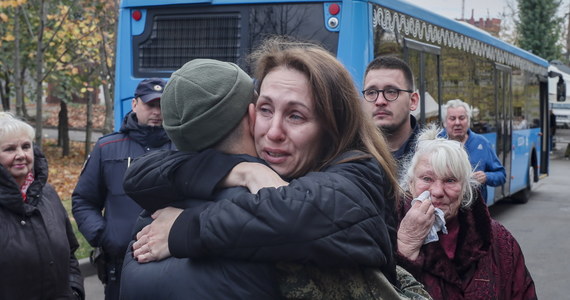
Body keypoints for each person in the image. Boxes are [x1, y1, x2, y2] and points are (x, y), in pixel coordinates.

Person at [123, 38, 430, 299]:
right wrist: (240, 170)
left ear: (332, 126)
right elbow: (139, 175)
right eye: (266, 110)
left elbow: (302, 212)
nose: (273, 132)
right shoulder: (260, 168)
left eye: (296, 116)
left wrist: (183, 230)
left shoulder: (358, 175)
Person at [396, 124, 537, 299]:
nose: (438, 191)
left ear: (464, 188)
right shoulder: (387, 231)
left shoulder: (500, 240)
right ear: (410, 183)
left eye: (450, 180)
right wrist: (405, 250)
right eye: (427, 178)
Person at [72, 78, 175, 300]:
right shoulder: (107, 148)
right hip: (119, 266)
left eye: (161, 105)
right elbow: (83, 200)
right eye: (150, 104)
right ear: (135, 104)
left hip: (171, 264)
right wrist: (104, 236)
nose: (156, 111)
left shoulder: (182, 148)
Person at [0, 112, 84, 300]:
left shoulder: (48, 193)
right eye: (10, 149)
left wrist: (74, 291)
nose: (21, 155)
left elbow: (70, 254)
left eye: (26, 146)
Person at [440, 99, 506, 203]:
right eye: (452, 118)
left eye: (462, 118)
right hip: (443, 210)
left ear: (468, 121)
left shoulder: (482, 143)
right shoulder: (435, 143)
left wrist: (486, 177)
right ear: (444, 122)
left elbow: (501, 175)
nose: (457, 123)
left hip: (475, 213)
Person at [362, 56, 421, 165]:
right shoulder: (345, 157)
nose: (380, 101)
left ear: (413, 101)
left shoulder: (436, 157)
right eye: (371, 92)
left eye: (391, 91)